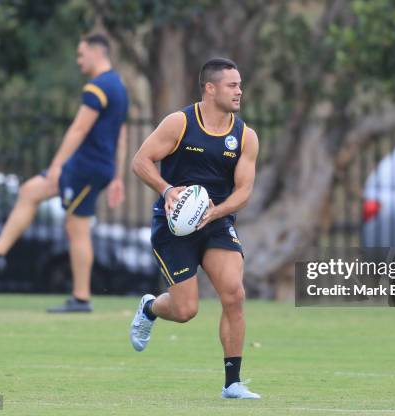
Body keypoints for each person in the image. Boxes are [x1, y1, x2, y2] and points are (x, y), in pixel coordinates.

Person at [0, 34, 128, 313]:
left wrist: (57, 165)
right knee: (30, 191)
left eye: (81, 54)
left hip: (85, 167)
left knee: (77, 228)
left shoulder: (98, 87)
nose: (78, 60)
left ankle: (81, 298)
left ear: (97, 53)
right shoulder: (119, 86)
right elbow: (121, 134)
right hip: (94, 166)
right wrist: (118, 176)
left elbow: (79, 128)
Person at [129, 58, 260, 399]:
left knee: (234, 292)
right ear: (210, 88)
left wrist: (218, 212)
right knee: (185, 310)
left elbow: (244, 190)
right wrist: (167, 190)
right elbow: (140, 161)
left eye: (240, 85)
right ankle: (149, 308)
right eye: (232, 85)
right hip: (174, 226)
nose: (239, 91)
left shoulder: (244, 136)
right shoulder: (180, 123)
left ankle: (232, 383)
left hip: (216, 222)